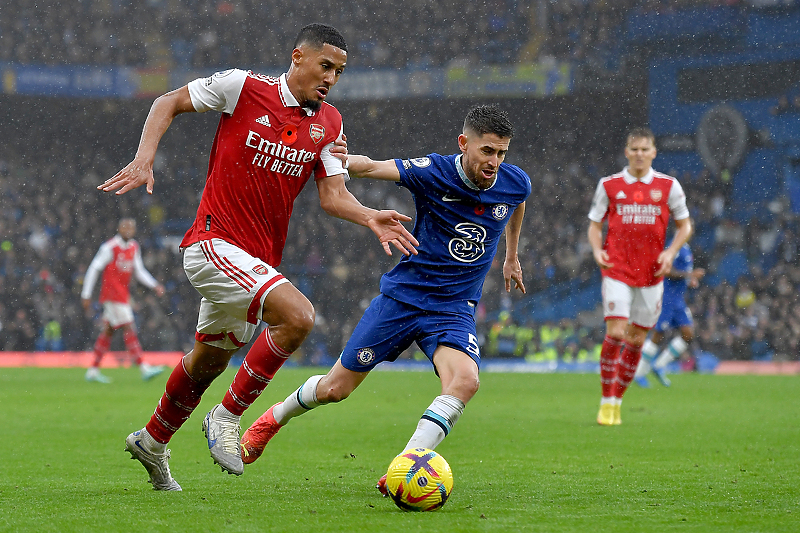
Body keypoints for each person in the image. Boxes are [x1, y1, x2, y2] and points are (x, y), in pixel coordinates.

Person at [100, 24, 418, 491]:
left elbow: (332, 195)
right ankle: (227, 418)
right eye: (325, 66)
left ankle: (151, 440)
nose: (331, 78)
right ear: (298, 57)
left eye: (340, 72)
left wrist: (369, 215)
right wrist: (145, 157)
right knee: (299, 318)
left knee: (207, 361)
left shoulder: (330, 123)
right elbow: (166, 101)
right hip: (211, 243)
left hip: (255, 261)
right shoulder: (243, 87)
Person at [238, 104, 530, 495]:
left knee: (465, 381)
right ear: (464, 144)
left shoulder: (514, 182)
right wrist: (336, 156)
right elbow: (372, 167)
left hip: (453, 309)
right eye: (487, 151)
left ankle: (404, 466)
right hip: (402, 300)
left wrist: (511, 257)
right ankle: (272, 419)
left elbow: (516, 204)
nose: (495, 162)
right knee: (334, 390)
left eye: (501, 153)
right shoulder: (434, 171)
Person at [587, 127, 692, 426]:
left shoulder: (668, 186)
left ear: (653, 152)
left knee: (636, 341)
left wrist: (670, 253)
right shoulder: (609, 185)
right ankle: (606, 400)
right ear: (626, 151)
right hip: (617, 268)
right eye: (634, 149)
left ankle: (618, 399)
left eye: (645, 149)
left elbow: (685, 226)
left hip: (652, 273)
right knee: (616, 333)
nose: (639, 154)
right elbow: (594, 224)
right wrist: (597, 250)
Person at [81, 218, 166, 383]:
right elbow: (94, 268)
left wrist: (154, 285)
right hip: (112, 295)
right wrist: (86, 294)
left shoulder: (134, 247)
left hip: (122, 294)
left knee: (108, 331)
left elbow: (139, 271)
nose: (128, 230)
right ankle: (143, 367)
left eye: (131, 228)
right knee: (128, 326)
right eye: (125, 227)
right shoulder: (110, 247)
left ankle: (92, 370)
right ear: (119, 228)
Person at [634, 239, 705, 387]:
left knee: (688, 334)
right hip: (667, 298)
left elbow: (680, 273)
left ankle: (659, 365)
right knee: (658, 335)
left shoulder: (685, 247)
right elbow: (667, 271)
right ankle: (639, 373)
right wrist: (690, 274)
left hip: (678, 300)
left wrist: (689, 279)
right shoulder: (673, 248)